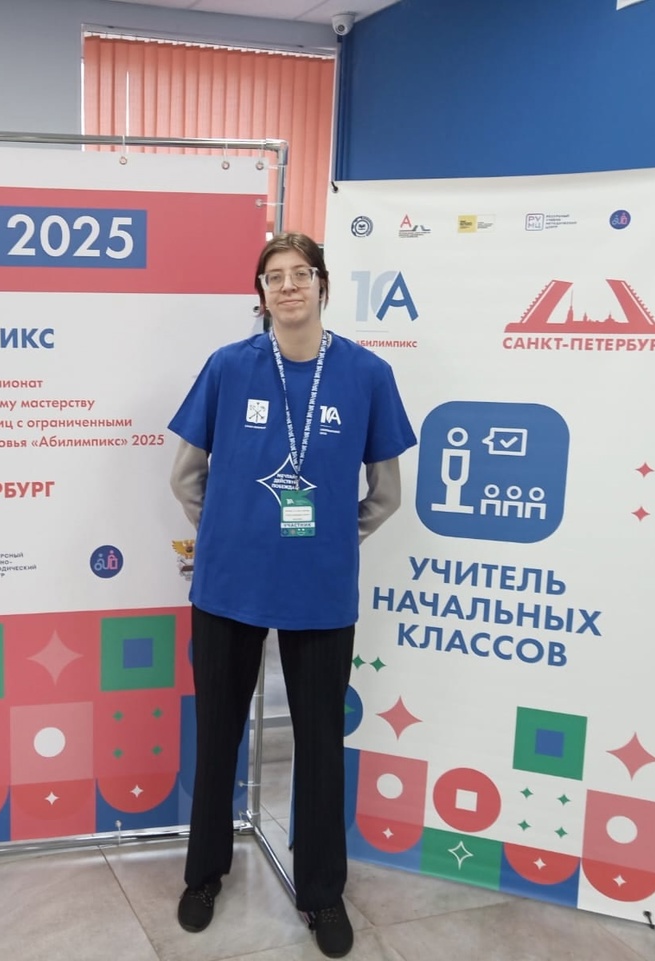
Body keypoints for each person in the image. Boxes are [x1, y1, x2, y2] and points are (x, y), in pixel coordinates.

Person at [168, 232, 415, 958]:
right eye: (273, 277)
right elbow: (186, 477)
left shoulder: (367, 374)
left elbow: (386, 494)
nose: (288, 287)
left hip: (321, 592)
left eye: (300, 273)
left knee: (320, 744)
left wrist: (329, 538)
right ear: (261, 293)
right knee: (218, 733)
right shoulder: (228, 367)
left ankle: (322, 893)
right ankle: (203, 875)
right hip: (228, 587)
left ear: (322, 284)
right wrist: (231, 534)